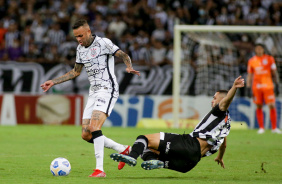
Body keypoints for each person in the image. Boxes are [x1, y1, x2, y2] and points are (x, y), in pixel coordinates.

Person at [40, 19, 140, 177]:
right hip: (93, 92)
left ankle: (100, 170)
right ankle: (124, 150)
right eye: (75, 36)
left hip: (107, 89)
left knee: (94, 127)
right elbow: (75, 72)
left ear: (88, 32)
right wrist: (53, 81)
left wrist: (129, 66)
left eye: (80, 35)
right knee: (86, 134)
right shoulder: (80, 49)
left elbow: (123, 54)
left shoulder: (103, 43)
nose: (78, 39)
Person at [110, 76, 244, 173]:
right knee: (147, 149)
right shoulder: (226, 123)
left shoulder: (219, 111)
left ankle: (131, 157)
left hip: (188, 145)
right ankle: (153, 160)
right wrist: (220, 157)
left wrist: (234, 87)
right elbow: (224, 143)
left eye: (215, 98)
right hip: (190, 163)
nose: (212, 101)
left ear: (221, 100)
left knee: (143, 139)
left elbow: (226, 101)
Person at [247, 43, 281, 134]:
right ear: (255, 50)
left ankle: (274, 128)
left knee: (271, 105)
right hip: (256, 86)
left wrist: (277, 83)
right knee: (259, 105)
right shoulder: (251, 61)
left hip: (268, 85)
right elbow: (250, 75)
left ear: (263, 49)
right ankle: (261, 128)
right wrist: (248, 86)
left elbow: (274, 72)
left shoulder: (270, 59)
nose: (258, 50)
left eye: (260, 48)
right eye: (257, 49)